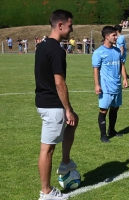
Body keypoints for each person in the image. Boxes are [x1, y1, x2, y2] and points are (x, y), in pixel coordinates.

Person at [35, 9, 79, 199]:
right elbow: (59, 83)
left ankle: (66, 163)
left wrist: (70, 113)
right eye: (70, 25)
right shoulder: (56, 50)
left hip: (45, 102)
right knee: (47, 149)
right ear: (60, 25)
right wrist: (67, 109)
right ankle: (46, 192)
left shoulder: (43, 44)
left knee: (73, 121)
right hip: (52, 105)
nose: (72, 29)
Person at [92, 26, 128, 143]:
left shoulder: (117, 51)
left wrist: (125, 79)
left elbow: (122, 65)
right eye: (114, 35)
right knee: (103, 110)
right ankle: (103, 135)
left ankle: (111, 130)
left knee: (115, 108)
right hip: (106, 87)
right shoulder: (99, 52)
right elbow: (96, 70)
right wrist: (97, 85)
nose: (116, 37)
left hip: (117, 85)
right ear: (107, 37)